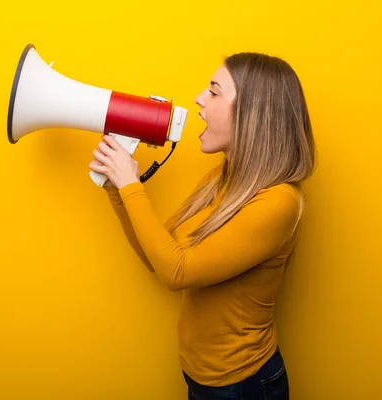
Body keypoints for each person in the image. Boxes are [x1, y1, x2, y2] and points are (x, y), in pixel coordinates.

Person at [88, 52, 316, 400]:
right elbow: (158, 256)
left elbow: (176, 273)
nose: (199, 98)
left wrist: (131, 185)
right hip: (203, 377)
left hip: (244, 385)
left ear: (251, 111)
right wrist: (117, 190)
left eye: (213, 91)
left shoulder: (279, 202)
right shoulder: (220, 180)